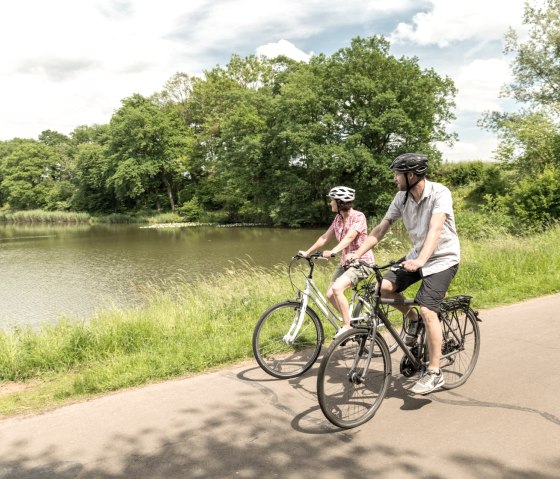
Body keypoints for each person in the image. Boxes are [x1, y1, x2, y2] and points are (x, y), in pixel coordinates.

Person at [348, 153, 460, 395]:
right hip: (416, 256)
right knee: (384, 289)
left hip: (442, 259)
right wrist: (358, 253)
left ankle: (434, 372)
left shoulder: (440, 193)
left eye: (397, 174)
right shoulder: (402, 197)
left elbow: (435, 229)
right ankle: (412, 318)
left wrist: (421, 260)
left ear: (410, 175)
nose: (394, 179)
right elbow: (382, 227)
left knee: (429, 309)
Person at [299, 186, 375, 339]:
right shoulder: (338, 219)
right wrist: (307, 252)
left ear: (340, 202)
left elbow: (349, 238)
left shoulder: (358, 216)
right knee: (330, 294)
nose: (330, 203)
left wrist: (333, 251)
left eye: (332, 200)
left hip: (362, 262)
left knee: (338, 288)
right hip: (346, 263)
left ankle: (347, 327)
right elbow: (324, 237)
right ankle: (351, 322)